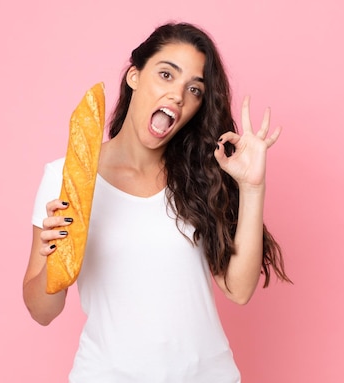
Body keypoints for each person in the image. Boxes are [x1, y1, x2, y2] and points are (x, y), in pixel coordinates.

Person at [23, 22, 291, 383]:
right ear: (135, 75)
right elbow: (42, 312)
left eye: (193, 89)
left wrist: (252, 186)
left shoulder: (200, 176)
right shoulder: (63, 178)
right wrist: (53, 257)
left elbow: (238, 289)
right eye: (166, 74)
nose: (178, 96)